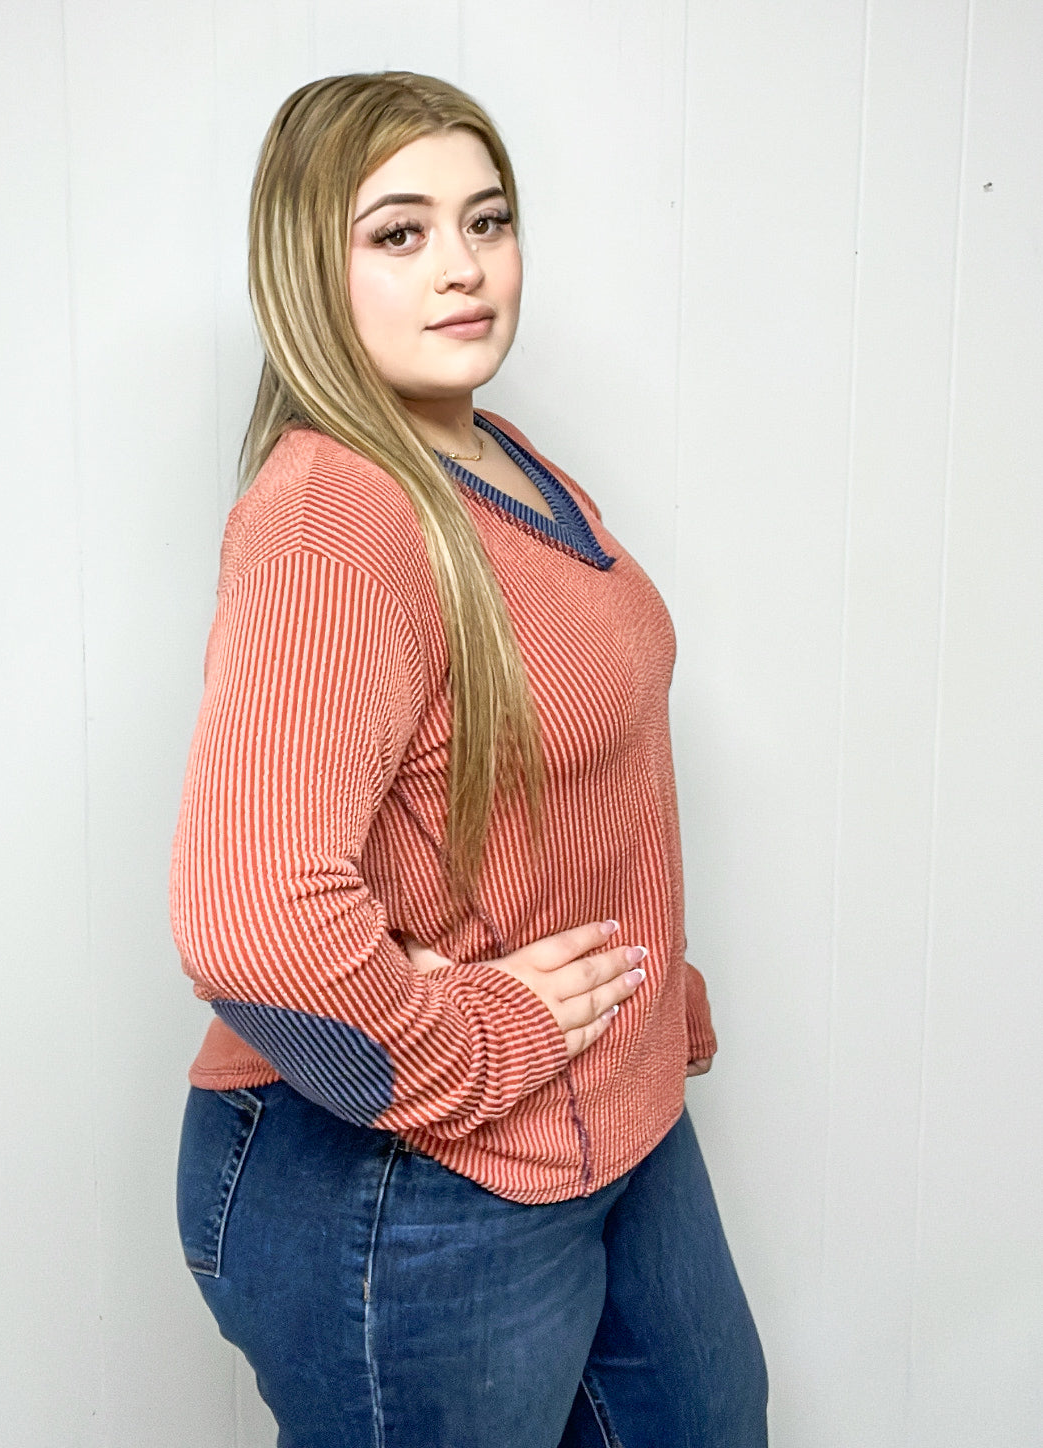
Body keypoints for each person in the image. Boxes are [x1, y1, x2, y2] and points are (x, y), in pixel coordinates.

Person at [171, 69, 767, 1448]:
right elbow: (251, 925)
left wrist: (639, 995)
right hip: (408, 1177)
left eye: (485, 222)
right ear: (305, 267)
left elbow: (561, 781)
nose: (463, 268)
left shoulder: (497, 457)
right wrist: (488, 1032)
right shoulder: (333, 515)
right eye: (400, 233)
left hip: (606, 1123)